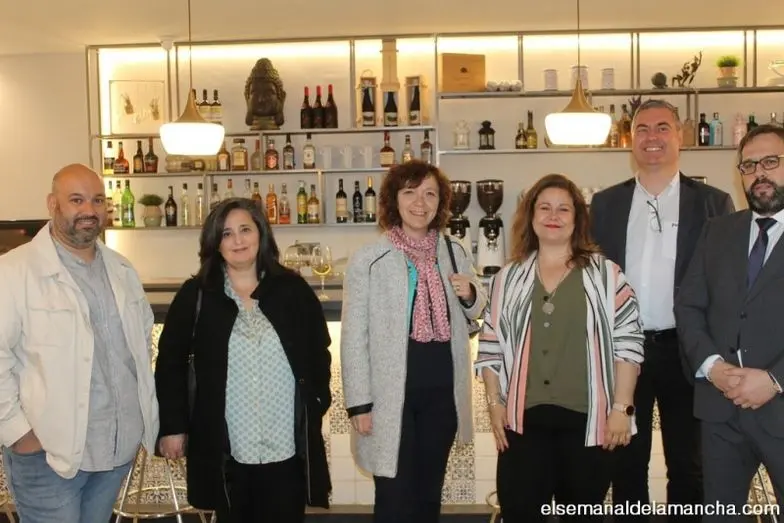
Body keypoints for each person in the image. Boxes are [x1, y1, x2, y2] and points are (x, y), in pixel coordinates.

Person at [590, 99, 735, 521]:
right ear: (630, 139)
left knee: (689, 466)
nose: (651, 137)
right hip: (624, 353)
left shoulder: (713, 202)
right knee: (625, 463)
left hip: (688, 351)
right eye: (642, 129)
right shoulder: (605, 204)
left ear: (680, 136)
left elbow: (726, 284)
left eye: (662, 128)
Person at [475, 173, 644, 523]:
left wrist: (622, 408)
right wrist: (494, 404)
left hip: (588, 422)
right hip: (522, 423)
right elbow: (490, 346)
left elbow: (628, 345)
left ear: (577, 218)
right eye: (545, 207)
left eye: (564, 209)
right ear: (531, 215)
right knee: (520, 514)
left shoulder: (607, 275)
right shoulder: (508, 277)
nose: (553, 215)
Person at [154, 197, 332, 523]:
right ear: (215, 242)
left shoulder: (292, 289)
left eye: (245, 229)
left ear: (261, 233)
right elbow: (170, 364)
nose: (238, 240)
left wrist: (317, 400)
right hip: (226, 451)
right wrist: (173, 427)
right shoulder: (196, 295)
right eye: (227, 233)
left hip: (285, 446)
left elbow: (318, 350)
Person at [0, 163, 159, 523]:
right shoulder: (13, 271)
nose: (89, 210)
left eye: (98, 200)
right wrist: (18, 433)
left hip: (114, 451)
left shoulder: (122, 269)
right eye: (76, 200)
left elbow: (140, 346)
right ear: (52, 204)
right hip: (48, 456)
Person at [340, 160, 487, 523]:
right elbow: (353, 336)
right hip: (390, 399)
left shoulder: (453, 251)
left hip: (443, 396)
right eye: (410, 192)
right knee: (394, 499)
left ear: (441, 202)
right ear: (394, 199)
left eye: (430, 194)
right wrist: (359, 404)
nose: (420, 202)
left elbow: (475, 310)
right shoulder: (370, 259)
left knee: (428, 497)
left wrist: (471, 294)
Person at [675, 124, 784, 521]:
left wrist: (774, 380)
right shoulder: (717, 231)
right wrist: (712, 367)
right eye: (749, 165)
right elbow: (688, 306)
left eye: (771, 161)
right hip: (721, 411)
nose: (759, 173)